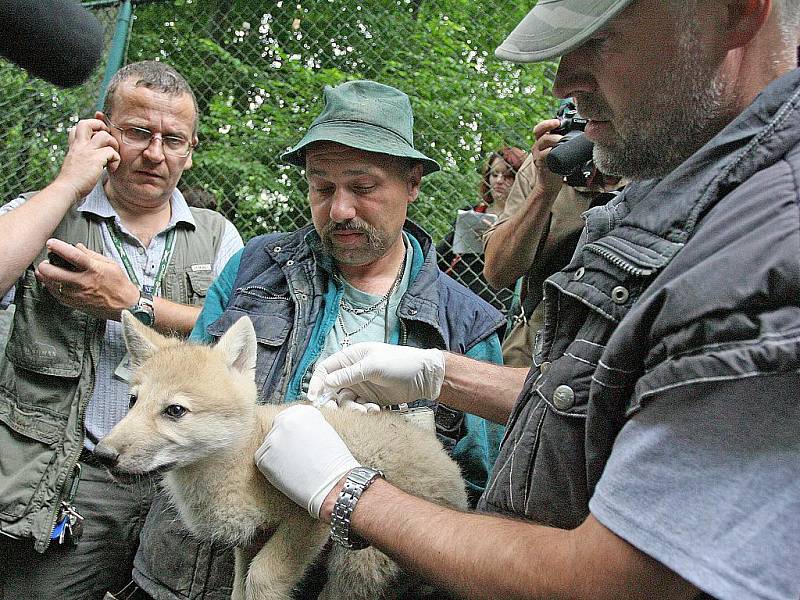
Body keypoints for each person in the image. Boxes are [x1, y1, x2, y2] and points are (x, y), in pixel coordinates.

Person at [255, 1, 800, 599]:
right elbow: (632, 399)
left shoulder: (768, 244)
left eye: (602, 38)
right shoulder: (696, 194)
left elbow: (609, 582)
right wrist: (441, 375)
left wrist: (345, 490)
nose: (564, 81)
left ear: (735, 12)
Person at [131, 80, 506, 599]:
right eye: (322, 187)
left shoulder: (468, 326)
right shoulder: (252, 269)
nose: (340, 210)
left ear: (413, 182)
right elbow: (179, 396)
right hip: (205, 574)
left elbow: (477, 489)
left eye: (364, 187)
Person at [0, 60, 243, 600]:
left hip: (175, 484)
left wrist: (133, 305)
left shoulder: (219, 235)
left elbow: (234, 347)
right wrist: (69, 181)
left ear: (191, 149)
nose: (155, 153)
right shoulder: (48, 210)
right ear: (101, 131)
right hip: (65, 478)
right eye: (138, 133)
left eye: (173, 139)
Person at [483, 114, 622, 367]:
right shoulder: (549, 161)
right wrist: (545, 189)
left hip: (624, 350)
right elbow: (497, 272)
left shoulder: (668, 162)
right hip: (538, 346)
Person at [437, 146, 526, 314]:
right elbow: (442, 255)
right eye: (494, 174)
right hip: (458, 286)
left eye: (507, 176)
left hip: (498, 297)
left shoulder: (526, 220)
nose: (499, 180)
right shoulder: (474, 212)